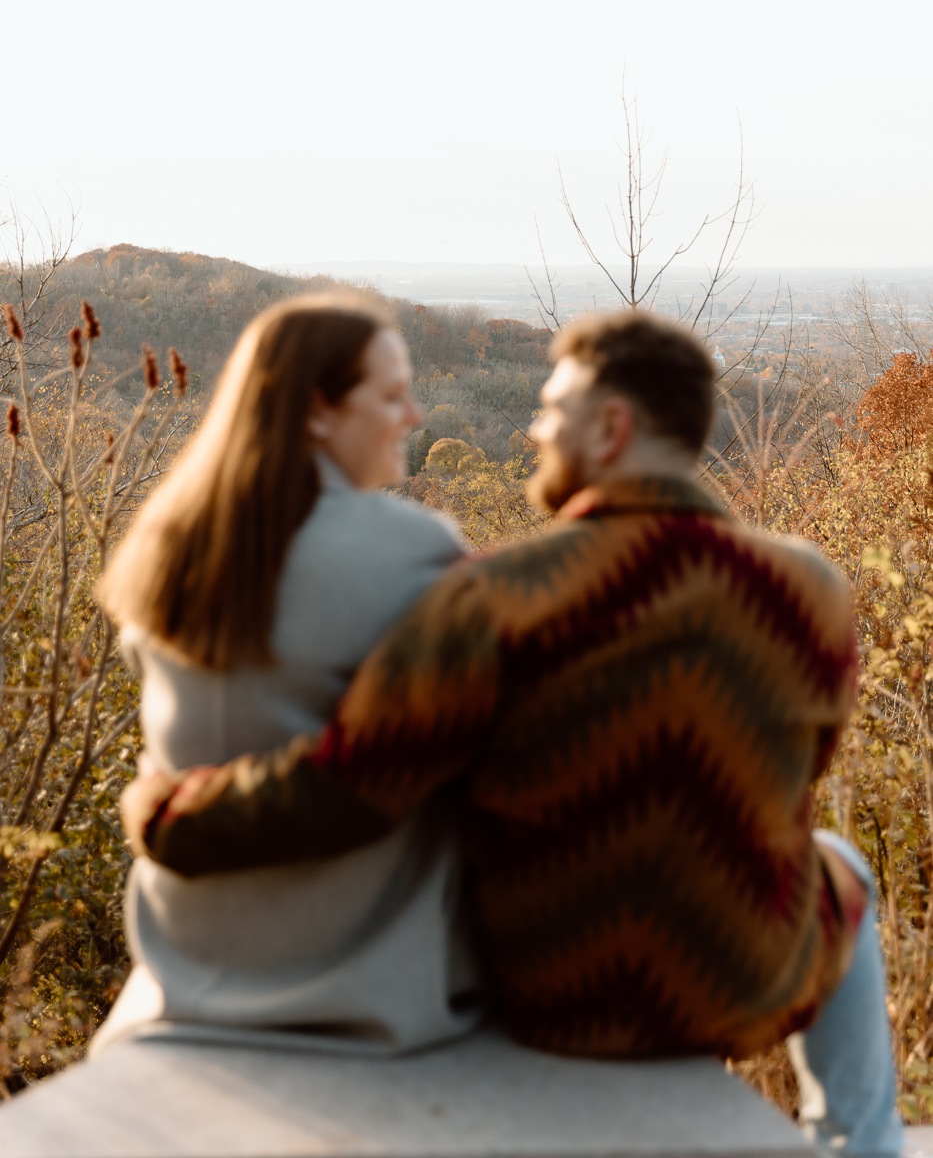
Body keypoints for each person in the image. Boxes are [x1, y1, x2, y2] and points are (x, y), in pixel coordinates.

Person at [123, 310, 901, 1156]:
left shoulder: (497, 596)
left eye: (550, 406)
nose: (533, 429)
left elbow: (355, 783)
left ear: (610, 428)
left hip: (550, 991)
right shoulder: (811, 591)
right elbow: (799, 771)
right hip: (750, 980)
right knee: (841, 864)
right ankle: (859, 1144)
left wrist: (174, 816)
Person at [92, 294, 480, 1056]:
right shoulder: (414, 551)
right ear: (316, 410)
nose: (413, 414)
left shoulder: (164, 547)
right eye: (392, 393)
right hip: (369, 984)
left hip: (187, 965)